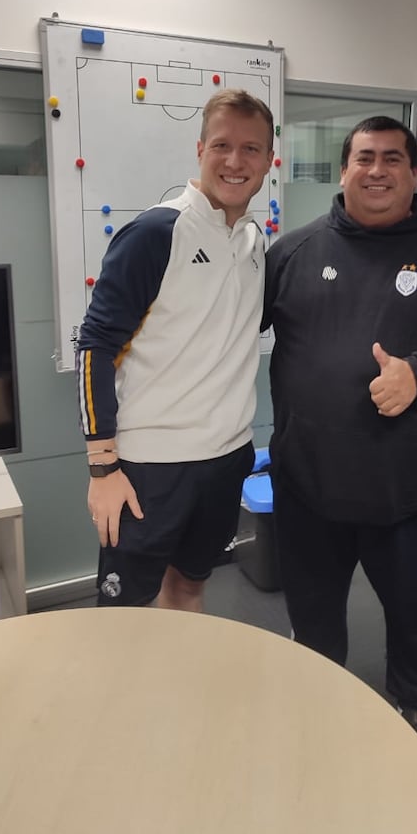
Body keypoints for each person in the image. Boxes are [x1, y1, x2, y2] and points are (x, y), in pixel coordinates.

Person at [263, 116, 417, 744]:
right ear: (343, 169)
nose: (378, 170)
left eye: (393, 159)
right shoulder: (292, 253)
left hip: (411, 490)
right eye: (365, 158)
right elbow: (223, 331)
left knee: (414, 623)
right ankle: (318, 715)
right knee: (314, 622)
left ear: (413, 172)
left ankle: (413, 714)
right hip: (310, 486)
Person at [77, 88, 274, 611]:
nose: (236, 161)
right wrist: (103, 468)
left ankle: (176, 691)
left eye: (251, 149)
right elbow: (94, 347)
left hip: (227, 459)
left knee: (189, 585)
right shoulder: (154, 233)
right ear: (200, 149)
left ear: (269, 160)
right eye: (222, 145)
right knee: (126, 612)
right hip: (148, 468)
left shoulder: (255, 242)